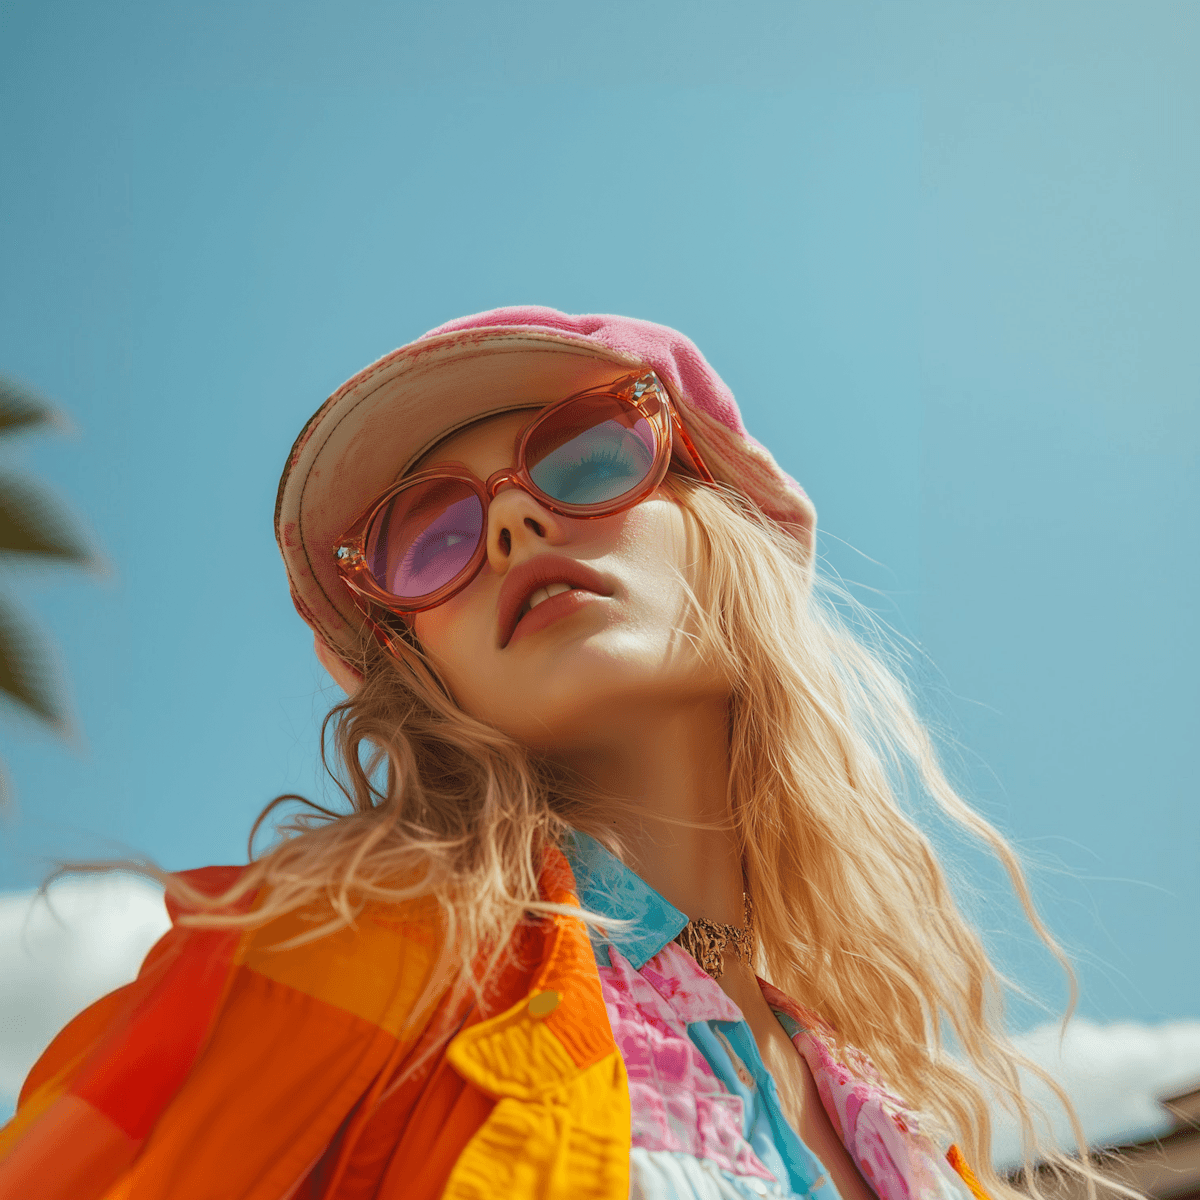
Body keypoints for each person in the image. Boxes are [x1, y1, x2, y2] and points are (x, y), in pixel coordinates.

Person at [0, 308, 1100, 1200]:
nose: (515, 527)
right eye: (427, 537)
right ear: (416, 664)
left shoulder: (910, 1140)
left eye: (587, 458)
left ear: (730, 534)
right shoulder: (344, 965)